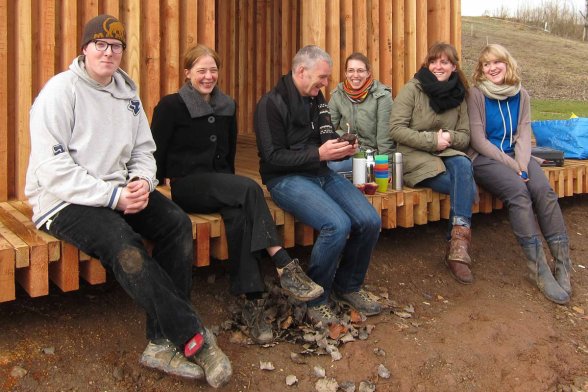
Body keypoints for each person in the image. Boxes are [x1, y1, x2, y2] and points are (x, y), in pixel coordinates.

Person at [25, 15, 231, 388]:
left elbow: (143, 150)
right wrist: (113, 197)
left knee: (176, 223)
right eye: (100, 44)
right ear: (85, 49)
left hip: (118, 190)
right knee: (125, 245)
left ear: (122, 53)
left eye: (116, 46)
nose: (108, 51)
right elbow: (51, 168)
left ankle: (159, 341)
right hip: (63, 201)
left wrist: (141, 181)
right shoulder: (60, 92)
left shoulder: (127, 94)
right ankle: (189, 334)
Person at [150, 44, 324, 344]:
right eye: (201, 70)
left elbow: (228, 155)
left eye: (213, 70)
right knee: (249, 187)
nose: (208, 76)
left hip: (220, 186)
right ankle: (282, 262)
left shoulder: (227, 105)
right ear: (187, 72)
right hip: (187, 186)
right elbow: (156, 153)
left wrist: (227, 189)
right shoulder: (170, 106)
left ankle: (252, 302)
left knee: (241, 214)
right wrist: (155, 186)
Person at [254, 45, 382, 326]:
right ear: (301, 71)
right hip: (284, 179)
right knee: (336, 224)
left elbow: (327, 132)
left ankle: (348, 286)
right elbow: (272, 157)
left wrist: (344, 144)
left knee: (370, 219)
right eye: (322, 77)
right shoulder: (270, 104)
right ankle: (315, 299)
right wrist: (319, 154)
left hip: (320, 172)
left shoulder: (316, 98)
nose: (326, 83)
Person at [467, 44, 571, 304]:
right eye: (486, 64)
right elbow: (479, 140)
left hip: (518, 156)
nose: (492, 68)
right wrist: (515, 168)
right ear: (481, 70)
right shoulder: (476, 95)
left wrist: (523, 164)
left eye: (497, 62)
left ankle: (562, 262)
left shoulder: (521, 94)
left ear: (507, 63)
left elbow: (524, 133)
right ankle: (539, 268)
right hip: (485, 159)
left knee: (544, 191)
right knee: (518, 192)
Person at [389, 42, 476, 284]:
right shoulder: (413, 89)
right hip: (413, 153)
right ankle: (459, 241)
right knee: (463, 184)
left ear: (454, 67)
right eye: (434, 61)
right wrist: (431, 140)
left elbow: (465, 136)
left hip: (446, 152)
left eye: (444, 62)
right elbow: (395, 129)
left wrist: (447, 138)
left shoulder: (459, 95)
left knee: (462, 165)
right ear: (427, 64)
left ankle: (458, 246)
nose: (438, 66)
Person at [328, 52, 394, 172]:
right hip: (345, 150)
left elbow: (386, 138)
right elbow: (327, 127)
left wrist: (387, 169)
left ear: (368, 73)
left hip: (370, 155)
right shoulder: (338, 94)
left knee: (333, 167)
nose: (355, 75)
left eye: (360, 70)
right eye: (351, 70)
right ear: (346, 73)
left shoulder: (382, 96)